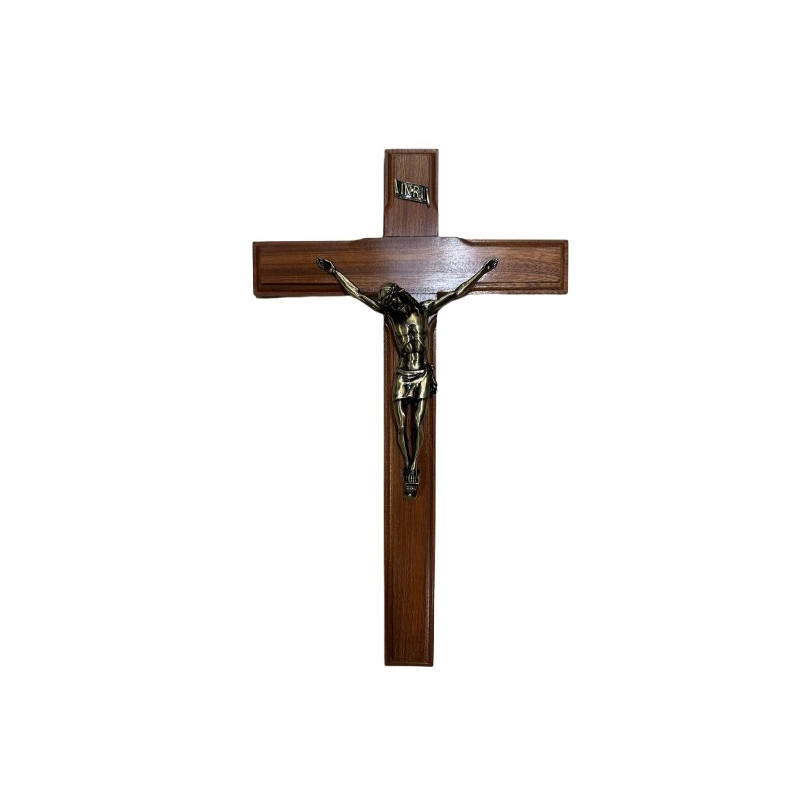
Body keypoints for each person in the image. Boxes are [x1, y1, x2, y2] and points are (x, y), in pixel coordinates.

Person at [316, 256, 498, 496]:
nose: (394, 306)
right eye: (389, 304)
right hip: (403, 374)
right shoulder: (392, 317)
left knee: (418, 422)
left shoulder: (425, 310)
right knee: (400, 425)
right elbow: (358, 294)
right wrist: (335, 272)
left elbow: (457, 292)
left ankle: (412, 466)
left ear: (401, 296)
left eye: (394, 301)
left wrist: (482, 271)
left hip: (422, 373)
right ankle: (407, 461)